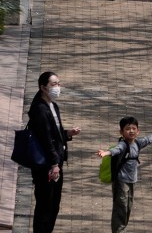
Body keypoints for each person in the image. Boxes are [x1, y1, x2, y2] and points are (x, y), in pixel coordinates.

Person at [27, 72, 81, 233]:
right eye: (53, 84)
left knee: (54, 205)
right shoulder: (40, 110)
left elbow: (54, 134)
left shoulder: (53, 106)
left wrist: (67, 134)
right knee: (45, 205)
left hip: (56, 162)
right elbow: (45, 139)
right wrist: (54, 164)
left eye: (58, 83)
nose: (57, 87)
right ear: (43, 88)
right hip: (46, 165)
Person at [96, 117, 152, 233]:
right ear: (121, 132)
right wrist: (106, 153)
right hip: (121, 182)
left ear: (138, 131)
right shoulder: (123, 145)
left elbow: (149, 139)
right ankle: (119, 231)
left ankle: (122, 228)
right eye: (127, 129)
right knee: (120, 208)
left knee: (127, 208)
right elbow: (116, 150)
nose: (131, 131)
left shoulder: (137, 143)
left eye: (133, 129)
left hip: (132, 181)